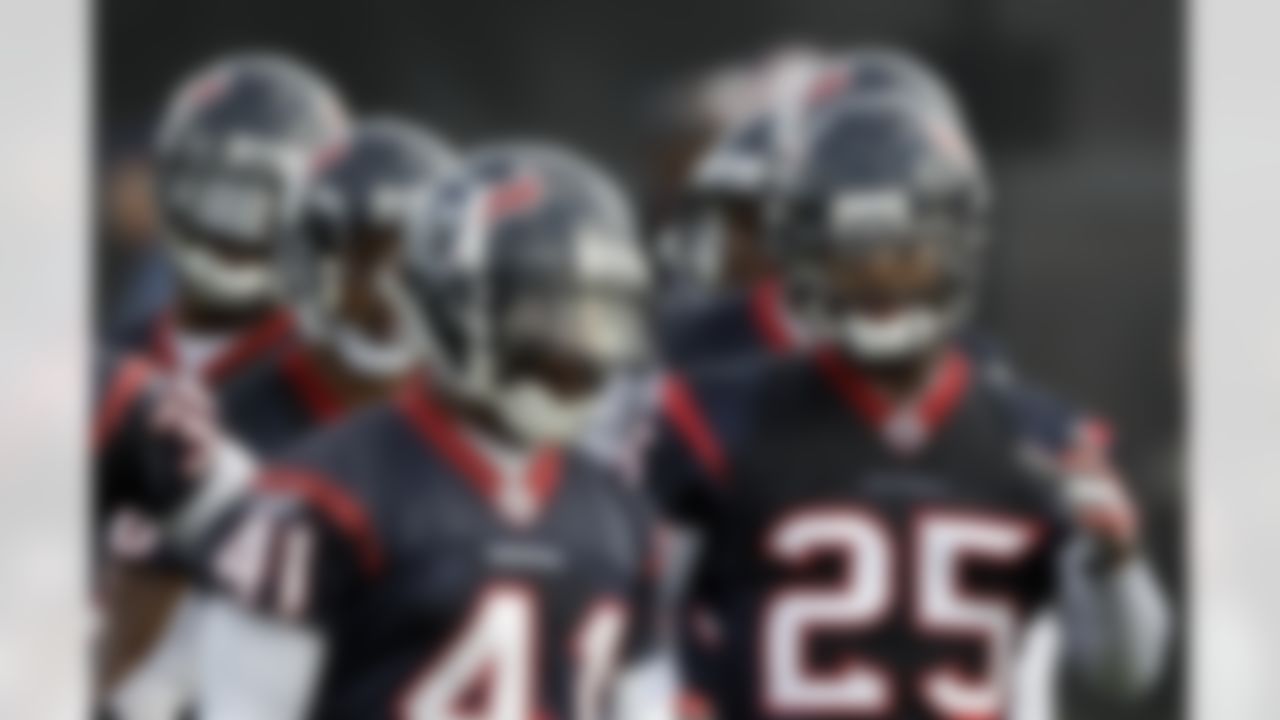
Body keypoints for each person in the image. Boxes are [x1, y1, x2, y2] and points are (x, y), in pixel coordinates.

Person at [645, 94, 1171, 720]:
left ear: (958, 249)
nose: (880, 279)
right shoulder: (711, 419)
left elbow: (1124, 673)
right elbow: (627, 640)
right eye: (854, 253)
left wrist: (1116, 565)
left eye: (905, 250)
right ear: (807, 258)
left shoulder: (1042, 442)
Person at [193, 144, 660, 720]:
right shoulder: (320, 496)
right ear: (454, 301)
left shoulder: (618, 513)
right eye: (546, 313)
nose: (577, 347)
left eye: (598, 316)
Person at [217, 116, 456, 455]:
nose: (386, 294)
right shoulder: (226, 437)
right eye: (362, 261)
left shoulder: (479, 422)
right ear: (305, 269)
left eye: (409, 269)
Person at [111, 52, 350, 387]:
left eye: (264, 199)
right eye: (214, 191)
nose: (231, 230)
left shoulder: (344, 379)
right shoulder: (112, 358)